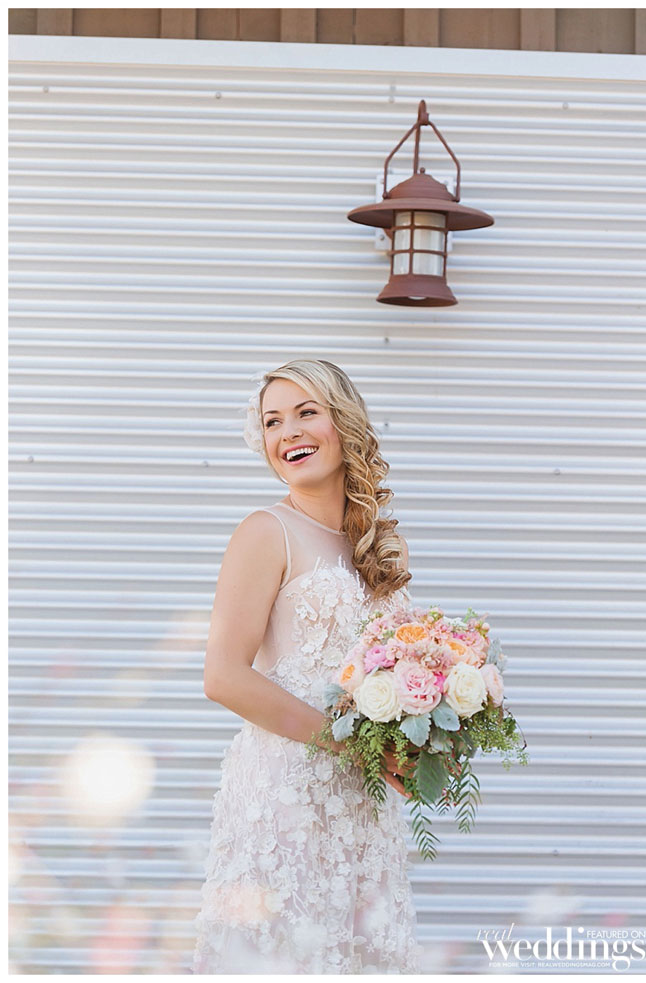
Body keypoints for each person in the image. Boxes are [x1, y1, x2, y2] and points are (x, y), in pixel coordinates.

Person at [191, 359, 424, 974]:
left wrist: (425, 741)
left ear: (343, 423)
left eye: (305, 413)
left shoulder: (381, 547)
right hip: (285, 796)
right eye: (272, 421)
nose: (287, 431)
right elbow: (223, 676)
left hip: (363, 803)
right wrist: (354, 746)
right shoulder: (266, 532)